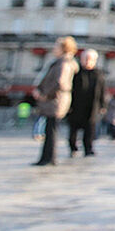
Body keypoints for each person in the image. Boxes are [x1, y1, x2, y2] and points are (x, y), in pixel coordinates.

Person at [32, 36, 79, 166]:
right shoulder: (62, 63)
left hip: (55, 100)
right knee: (50, 129)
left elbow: (60, 82)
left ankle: (49, 157)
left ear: (63, 48)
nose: (54, 49)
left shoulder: (64, 63)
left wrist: (45, 95)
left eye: (56, 46)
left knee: (51, 130)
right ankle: (47, 157)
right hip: (56, 100)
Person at [66, 48, 106, 158]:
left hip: (92, 106)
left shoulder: (98, 74)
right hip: (76, 105)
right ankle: (73, 147)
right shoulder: (76, 73)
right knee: (73, 129)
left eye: (90, 59)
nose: (87, 61)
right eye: (85, 59)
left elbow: (102, 91)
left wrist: (102, 105)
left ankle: (88, 148)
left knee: (90, 130)